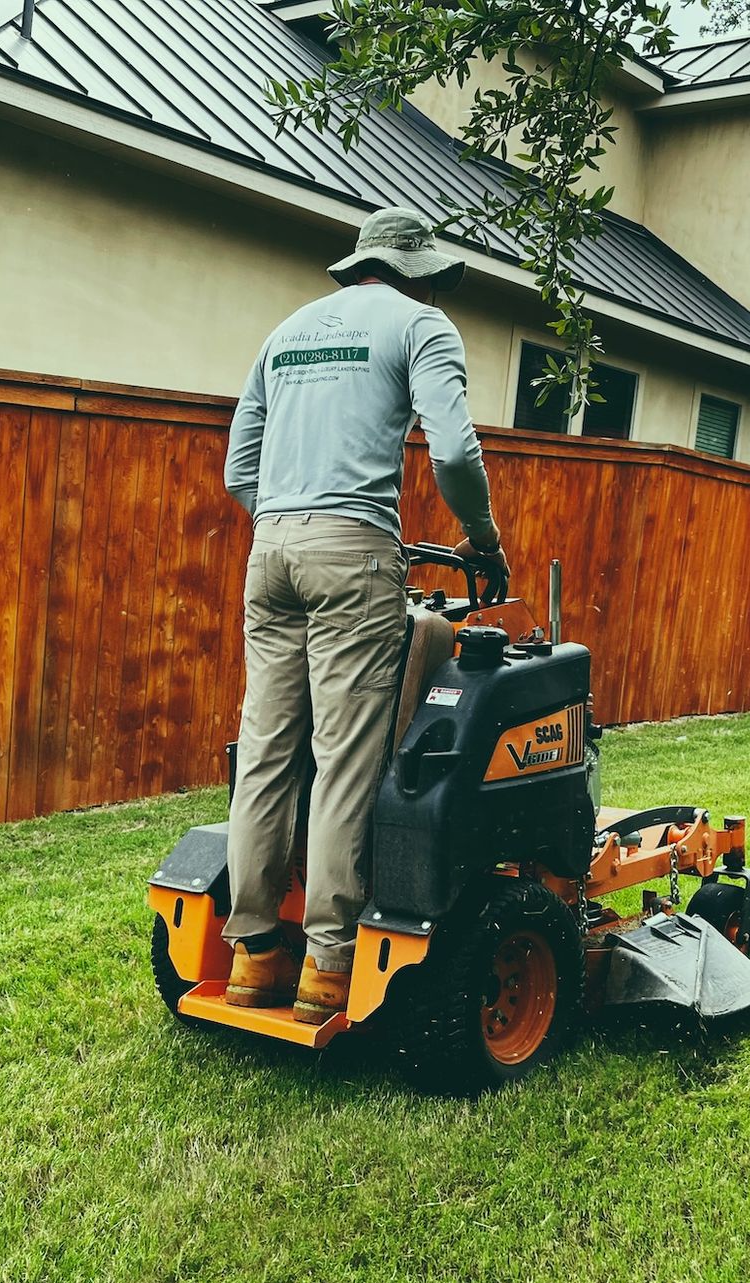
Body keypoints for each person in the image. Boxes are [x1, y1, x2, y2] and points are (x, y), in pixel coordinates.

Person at [220, 206, 509, 1024]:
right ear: (417, 270)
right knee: (345, 755)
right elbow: (453, 453)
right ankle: (326, 966)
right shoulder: (422, 325)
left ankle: (252, 955)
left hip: (269, 548)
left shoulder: (288, 331)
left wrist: (291, 519)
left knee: (269, 752)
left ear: (359, 263)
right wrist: (482, 536)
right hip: (355, 556)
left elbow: (240, 467)